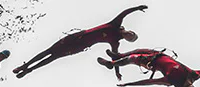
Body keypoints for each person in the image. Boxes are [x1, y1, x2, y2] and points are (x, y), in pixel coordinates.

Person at [14, 6, 147, 78]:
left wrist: (117, 71)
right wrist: (137, 8)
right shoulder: (115, 24)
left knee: (53, 57)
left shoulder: (115, 42)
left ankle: (29, 70)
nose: (129, 36)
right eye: (131, 34)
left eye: (130, 38)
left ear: (127, 40)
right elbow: (124, 13)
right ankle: (23, 66)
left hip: (80, 46)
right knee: (48, 51)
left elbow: (115, 57)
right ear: (130, 31)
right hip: (77, 37)